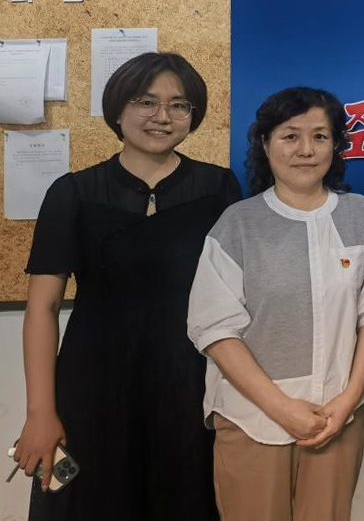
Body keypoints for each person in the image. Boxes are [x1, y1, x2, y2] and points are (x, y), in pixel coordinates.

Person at [14, 52, 240, 521]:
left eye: (179, 105)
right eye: (145, 101)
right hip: (91, 387)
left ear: (193, 115)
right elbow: (42, 308)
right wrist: (40, 412)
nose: (162, 116)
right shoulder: (73, 193)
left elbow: (237, 300)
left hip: (189, 385)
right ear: (118, 109)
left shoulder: (218, 188)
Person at [187, 87, 364, 521]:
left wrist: (349, 398)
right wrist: (281, 408)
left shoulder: (360, 214)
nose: (306, 150)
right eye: (290, 136)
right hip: (253, 418)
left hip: (336, 416)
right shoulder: (238, 224)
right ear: (265, 143)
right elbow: (214, 329)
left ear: (336, 144)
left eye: (320, 136)